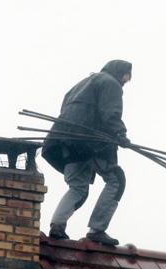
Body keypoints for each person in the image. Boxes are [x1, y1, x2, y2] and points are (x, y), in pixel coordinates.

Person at [41, 59, 133, 246]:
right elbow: (110, 113)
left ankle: (57, 226)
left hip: (65, 140)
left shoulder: (81, 84)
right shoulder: (111, 83)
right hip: (91, 141)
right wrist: (120, 134)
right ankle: (97, 229)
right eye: (127, 76)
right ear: (120, 72)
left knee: (78, 187)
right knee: (116, 179)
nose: (127, 80)